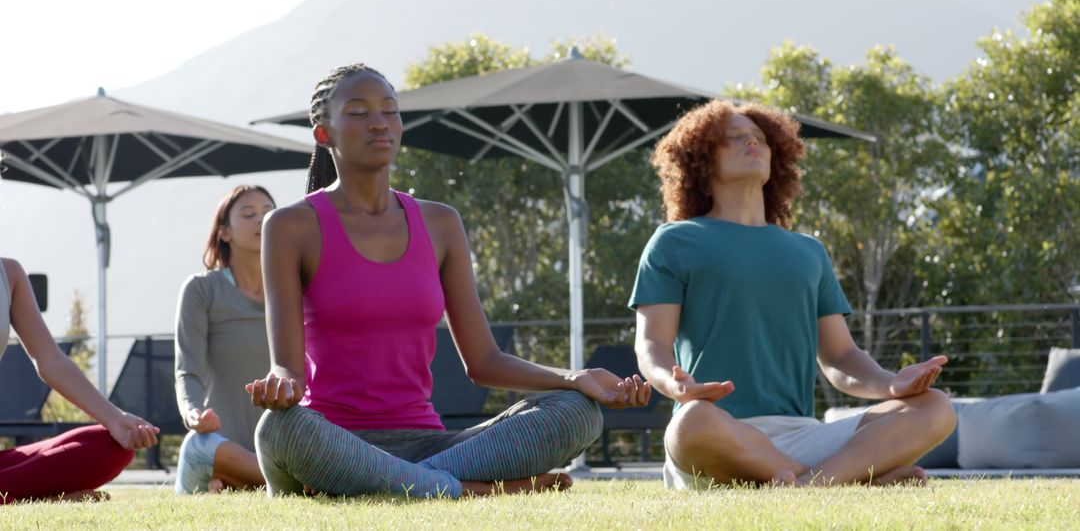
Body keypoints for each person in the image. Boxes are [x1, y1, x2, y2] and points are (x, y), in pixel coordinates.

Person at [248, 63, 651, 499]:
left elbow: (484, 361)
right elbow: (287, 368)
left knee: (576, 412)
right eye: (359, 112)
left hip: (431, 442)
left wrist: (575, 378)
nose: (380, 122)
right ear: (324, 134)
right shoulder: (290, 226)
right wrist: (281, 386)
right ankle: (471, 491)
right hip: (333, 440)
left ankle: (380, 486)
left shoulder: (440, 223)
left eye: (390, 110)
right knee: (279, 428)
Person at [630, 100, 957, 488]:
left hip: (803, 438)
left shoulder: (809, 251)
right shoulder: (674, 241)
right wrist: (675, 384)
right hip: (718, 436)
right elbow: (651, 344)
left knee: (936, 408)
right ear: (701, 159)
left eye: (760, 138)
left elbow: (840, 357)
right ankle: (845, 480)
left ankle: (807, 484)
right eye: (733, 138)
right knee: (691, 422)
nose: (751, 142)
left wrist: (891, 384)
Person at [0, 257, 159, 503]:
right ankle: (40, 500)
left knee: (111, 447)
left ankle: (14, 498)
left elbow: (50, 360)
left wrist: (115, 418)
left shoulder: (9, 274)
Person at [173, 185, 273, 493]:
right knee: (197, 445)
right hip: (217, 449)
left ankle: (255, 480)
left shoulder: (296, 293)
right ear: (225, 232)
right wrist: (193, 414)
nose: (261, 220)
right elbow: (187, 371)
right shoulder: (202, 290)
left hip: (282, 449)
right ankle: (281, 482)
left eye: (269, 213)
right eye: (248, 214)